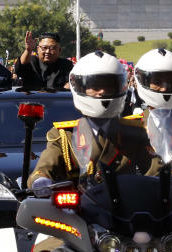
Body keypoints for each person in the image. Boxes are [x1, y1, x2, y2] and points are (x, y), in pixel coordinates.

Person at [27, 51, 160, 187]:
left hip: (124, 204)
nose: (102, 91)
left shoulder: (135, 132)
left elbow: (155, 170)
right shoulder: (64, 134)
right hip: (80, 205)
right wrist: (41, 180)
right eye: (95, 86)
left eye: (109, 86)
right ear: (80, 88)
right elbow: (45, 166)